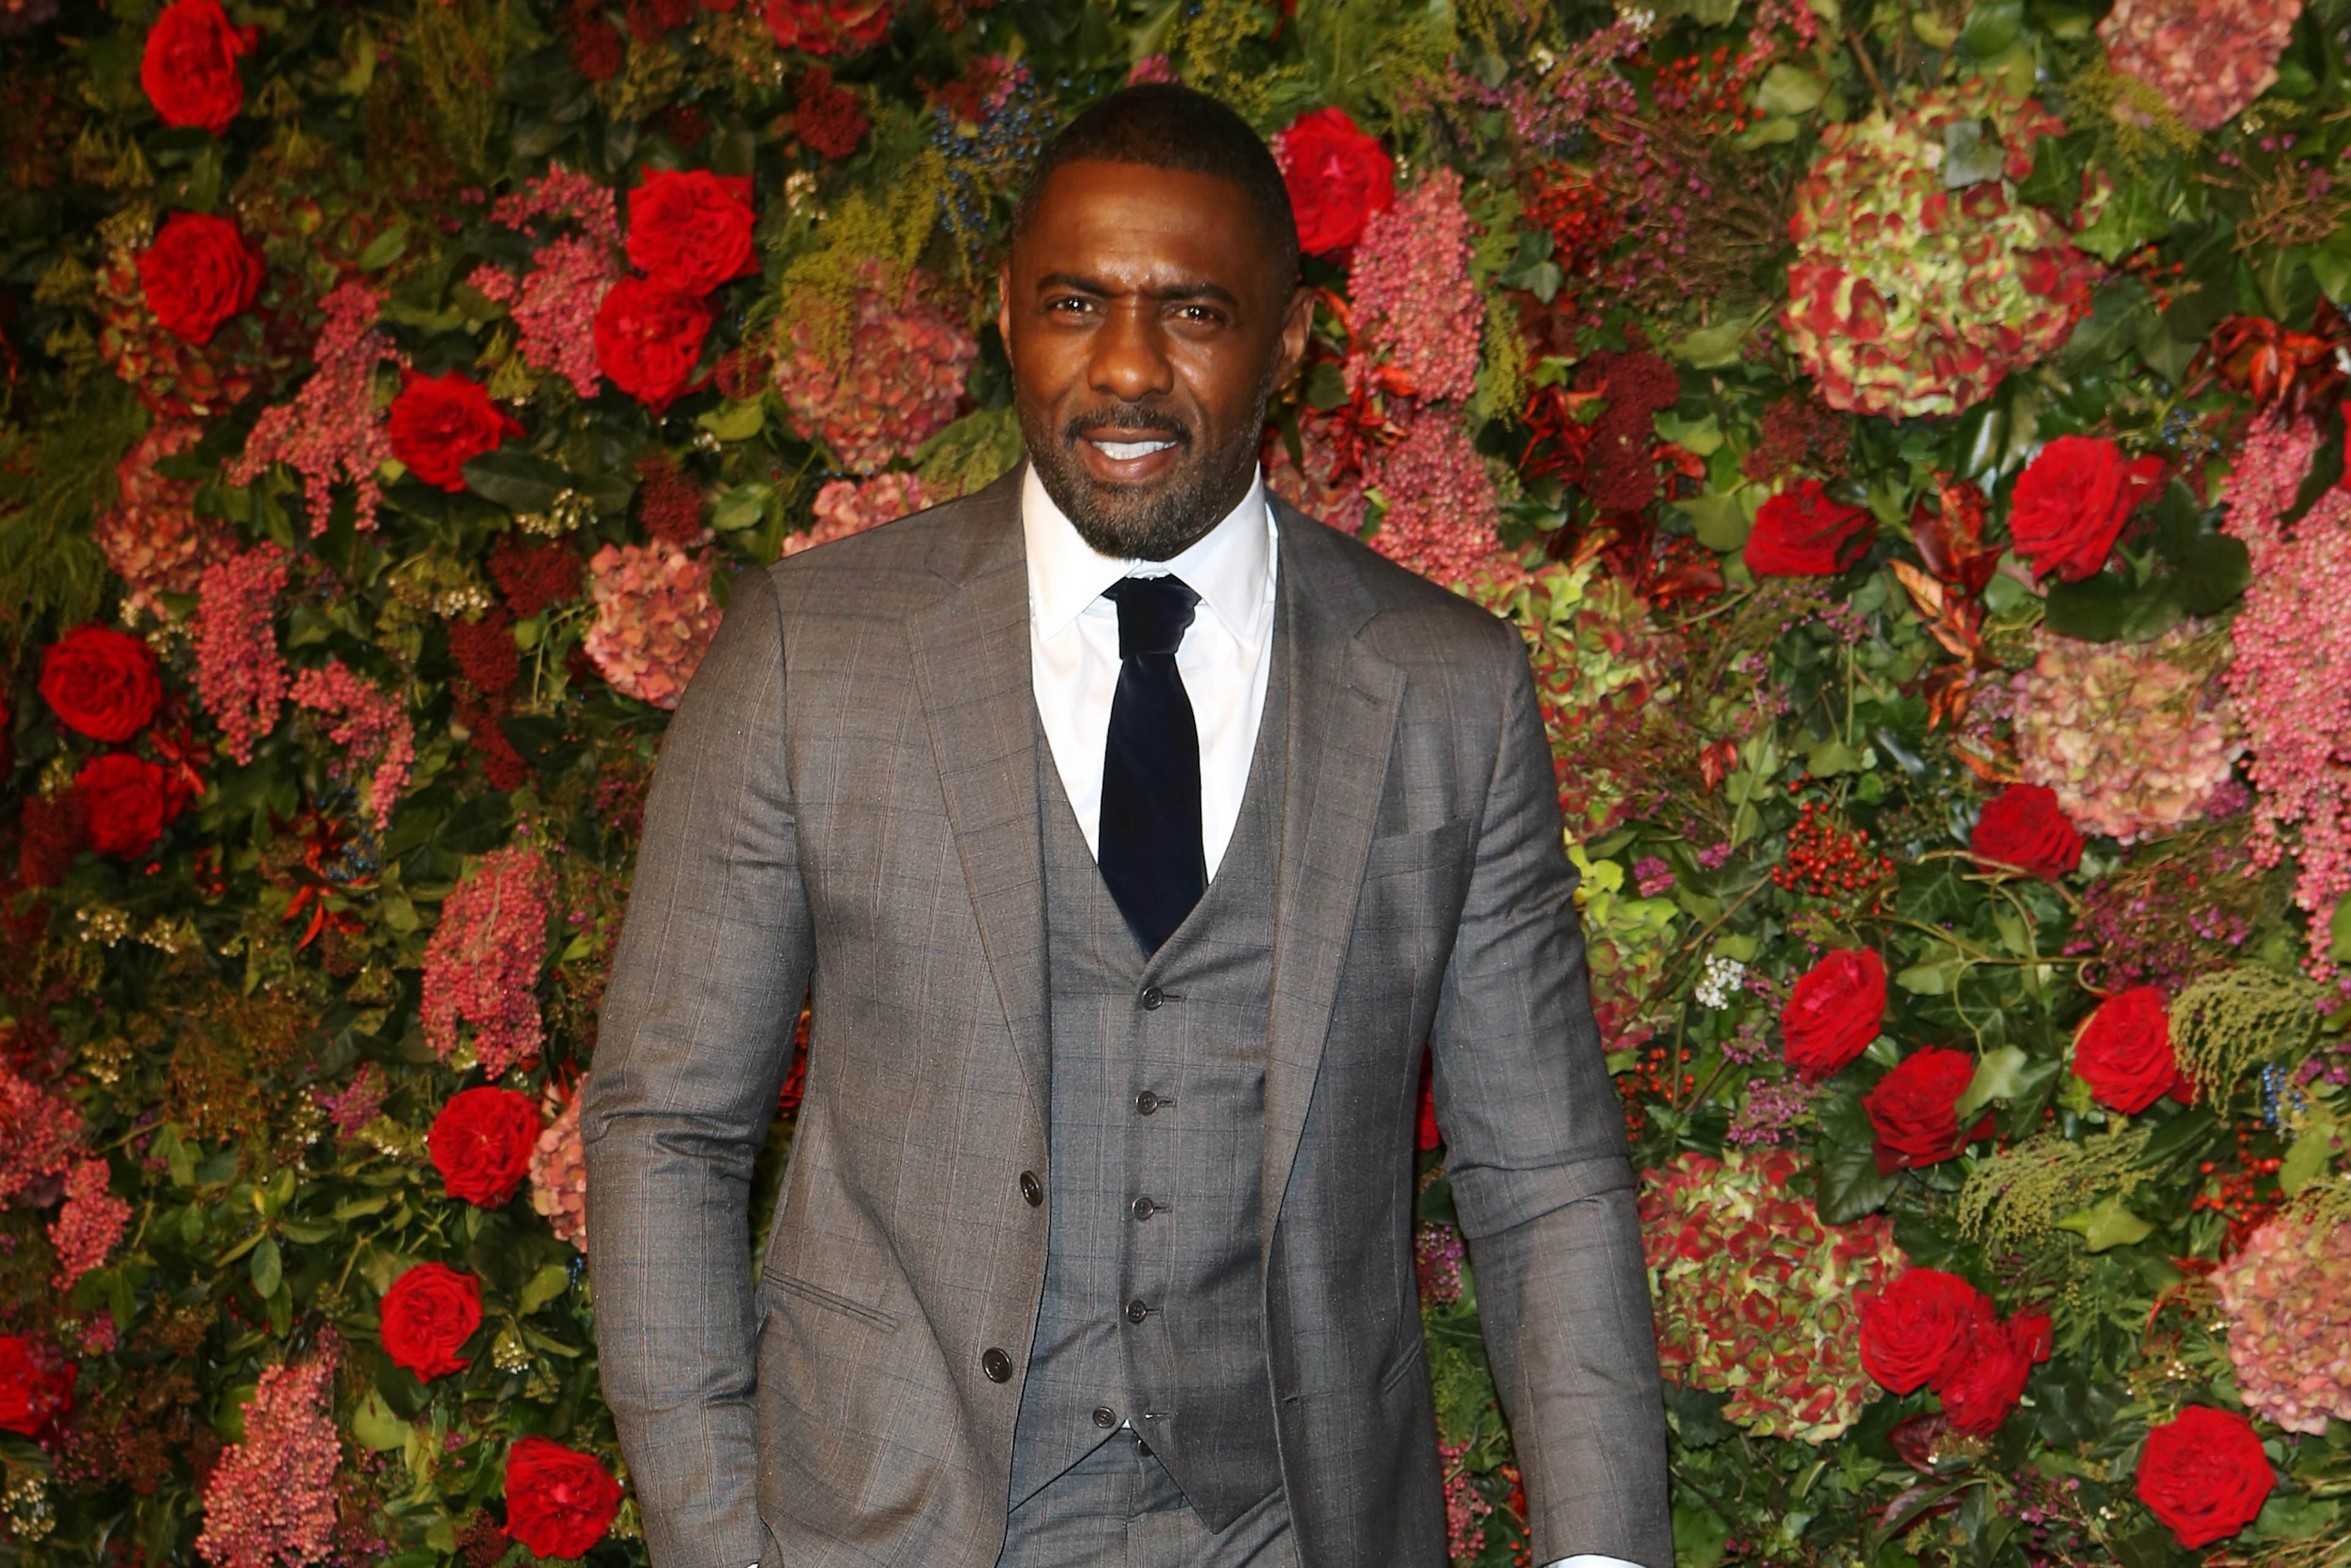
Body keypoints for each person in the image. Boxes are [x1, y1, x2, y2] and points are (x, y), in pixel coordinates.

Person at [583, 83, 1671, 1568]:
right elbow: (669, 1129)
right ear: (1009, 319)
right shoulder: (806, 656)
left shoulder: (1444, 692)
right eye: (1077, 304)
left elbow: (1543, 1180)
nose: (1128, 371)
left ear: (1292, 341)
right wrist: (721, 1542)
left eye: (1198, 313)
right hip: (892, 1526)